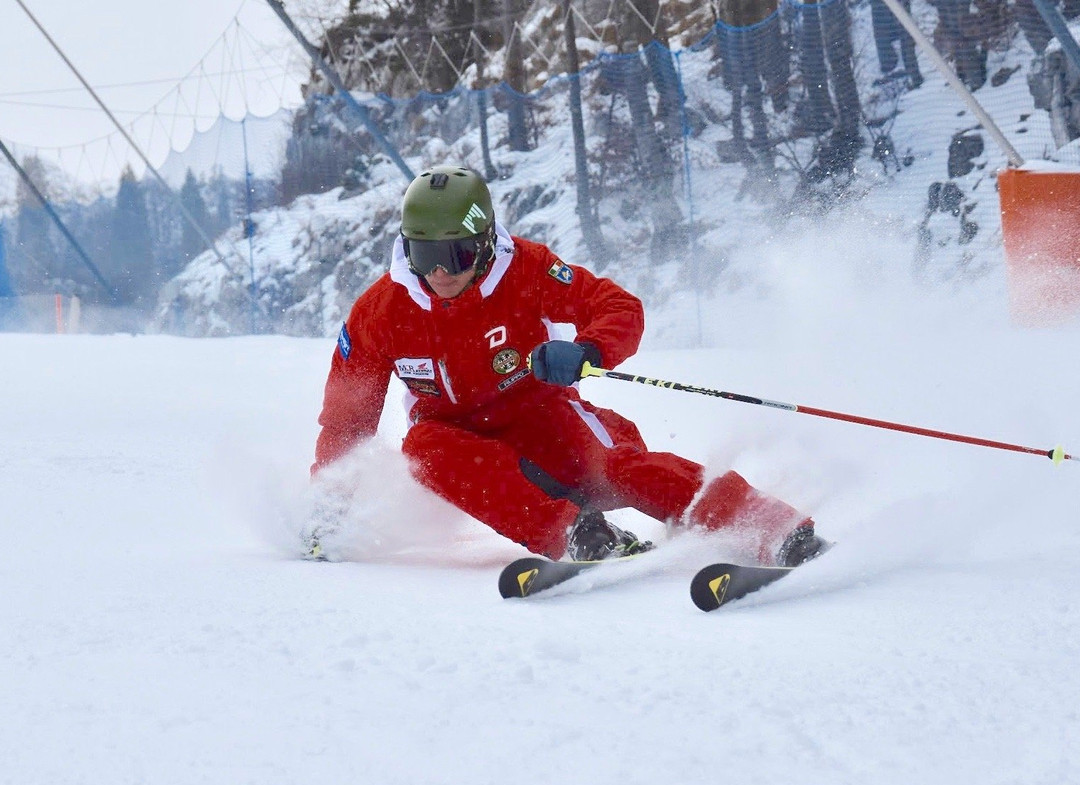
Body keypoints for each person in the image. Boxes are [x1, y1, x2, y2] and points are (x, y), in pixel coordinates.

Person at [305, 165, 825, 566]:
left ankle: (771, 527)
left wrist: (589, 351)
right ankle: (578, 533)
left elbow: (618, 307)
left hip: (546, 421)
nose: (440, 272)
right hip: (459, 443)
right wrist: (329, 506)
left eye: (458, 255)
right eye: (424, 255)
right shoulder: (381, 312)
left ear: (484, 243)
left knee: (624, 471)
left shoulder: (527, 268)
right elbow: (347, 417)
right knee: (422, 448)